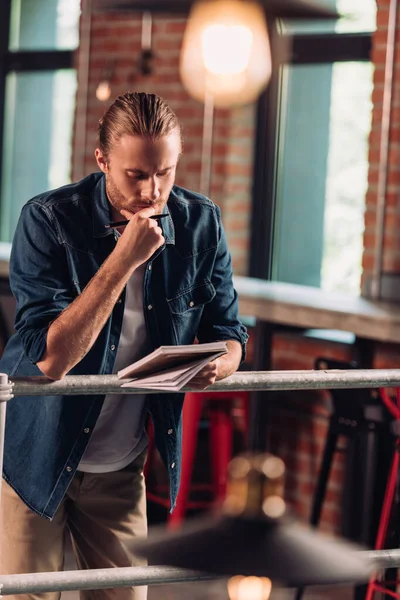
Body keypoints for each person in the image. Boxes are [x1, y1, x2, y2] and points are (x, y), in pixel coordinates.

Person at [0, 92, 248, 600]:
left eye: (166, 173)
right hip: (36, 453)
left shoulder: (201, 222)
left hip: (120, 462)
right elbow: (52, 359)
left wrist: (217, 366)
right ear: (102, 161)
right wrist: (123, 260)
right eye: (136, 175)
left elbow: (231, 335)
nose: (152, 191)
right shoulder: (47, 220)